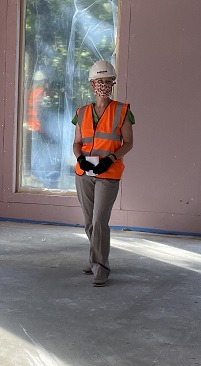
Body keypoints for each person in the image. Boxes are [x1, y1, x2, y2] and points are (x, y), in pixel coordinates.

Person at [72, 60, 134, 287]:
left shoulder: (123, 111)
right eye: (99, 81)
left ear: (113, 83)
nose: (103, 85)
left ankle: (101, 268)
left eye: (107, 81)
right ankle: (95, 259)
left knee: (99, 221)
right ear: (92, 84)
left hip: (109, 172)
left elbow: (128, 143)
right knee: (89, 222)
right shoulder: (82, 112)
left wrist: (110, 158)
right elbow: (77, 142)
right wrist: (80, 158)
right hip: (84, 172)